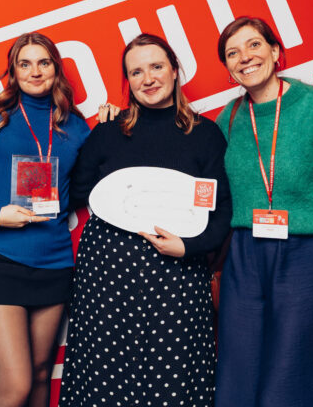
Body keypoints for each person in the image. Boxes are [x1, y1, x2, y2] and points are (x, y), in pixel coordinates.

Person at [58, 33, 232, 407]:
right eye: (136, 72)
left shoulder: (205, 136)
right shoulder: (108, 133)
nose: (148, 78)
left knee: (174, 378)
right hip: (108, 279)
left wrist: (187, 247)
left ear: (174, 70)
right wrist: (82, 134)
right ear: (128, 81)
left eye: (156, 67)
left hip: (178, 276)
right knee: (105, 379)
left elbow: (219, 216)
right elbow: (72, 195)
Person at [213, 16, 313, 407]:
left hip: (307, 259)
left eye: (254, 45)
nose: (245, 57)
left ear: (275, 51)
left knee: (294, 382)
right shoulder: (227, 119)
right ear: (228, 68)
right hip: (244, 261)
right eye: (233, 53)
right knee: (237, 383)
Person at [0, 32, 94, 407]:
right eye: (24, 64)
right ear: (12, 71)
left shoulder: (76, 126)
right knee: (15, 387)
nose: (35, 71)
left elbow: (83, 186)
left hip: (54, 260)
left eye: (43, 62)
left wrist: (109, 127)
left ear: (56, 68)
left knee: (42, 376)